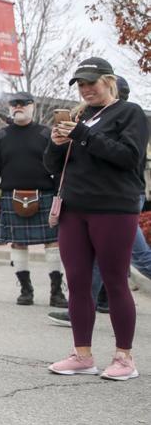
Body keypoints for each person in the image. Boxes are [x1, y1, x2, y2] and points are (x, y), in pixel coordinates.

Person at [45, 57, 147, 381]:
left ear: (109, 81)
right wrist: (56, 143)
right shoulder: (78, 116)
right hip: (74, 208)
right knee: (76, 282)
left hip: (114, 207)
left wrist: (83, 135)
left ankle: (124, 358)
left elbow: (129, 157)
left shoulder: (130, 113)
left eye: (92, 82)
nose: (86, 89)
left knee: (115, 281)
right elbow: (51, 165)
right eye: (81, 84)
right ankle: (82, 355)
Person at [0, 91, 65, 308]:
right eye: (14, 104)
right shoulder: (0, 136)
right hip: (12, 195)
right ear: (10, 108)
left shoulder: (46, 134)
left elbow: (58, 169)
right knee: (18, 243)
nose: (18, 107)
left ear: (32, 107)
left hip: (45, 194)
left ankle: (56, 292)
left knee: (53, 242)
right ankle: (25, 290)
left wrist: (60, 196)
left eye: (23, 104)